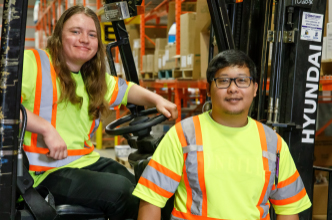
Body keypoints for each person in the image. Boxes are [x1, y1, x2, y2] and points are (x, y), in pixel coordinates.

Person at [21, 5, 177, 220]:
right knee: (121, 190)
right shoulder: (33, 63)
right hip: (42, 172)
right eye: (75, 31)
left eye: (91, 34)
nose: (84, 39)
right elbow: (4, 108)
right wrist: (45, 128)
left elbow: (126, 89)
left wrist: (158, 100)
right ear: (58, 36)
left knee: (152, 188)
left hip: (84, 161)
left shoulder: (91, 77)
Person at [132, 50, 311, 220]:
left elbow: (288, 208)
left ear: (255, 89)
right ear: (208, 90)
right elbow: (151, 200)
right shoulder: (183, 135)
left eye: (242, 80)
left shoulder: (273, 144)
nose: (233, 88)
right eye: (223, 81)